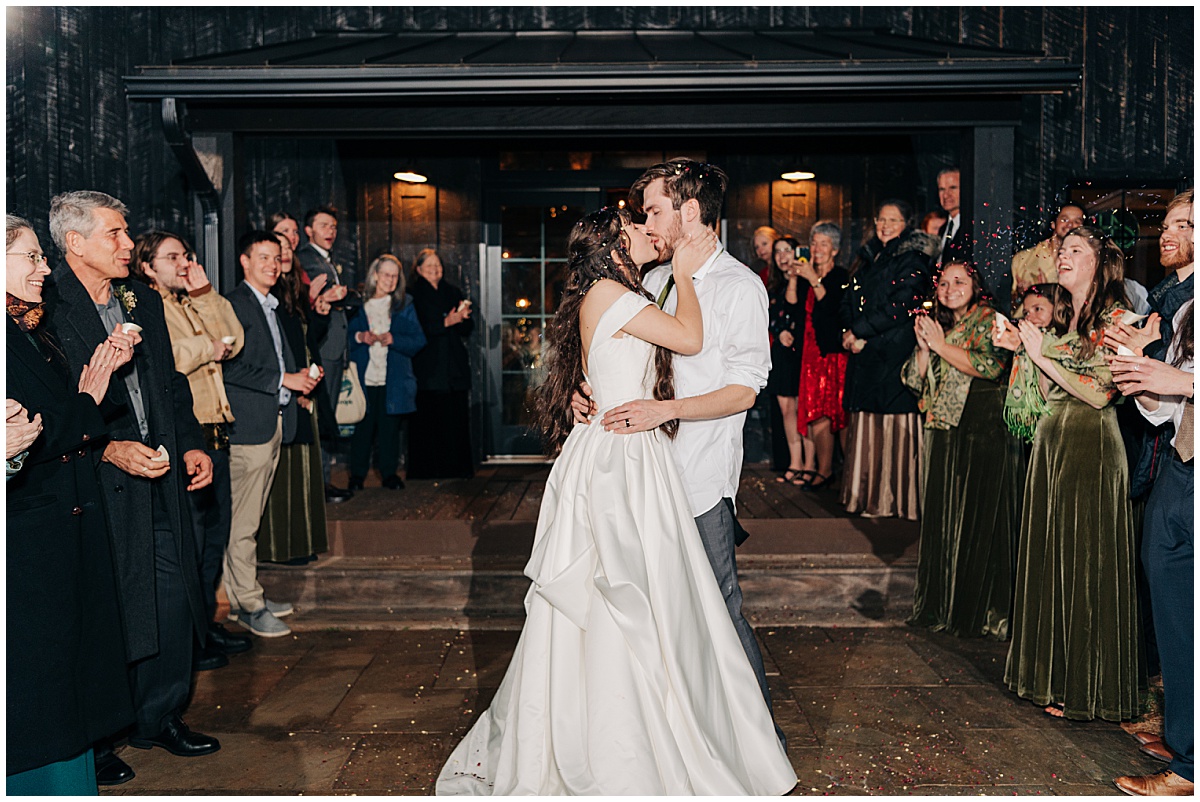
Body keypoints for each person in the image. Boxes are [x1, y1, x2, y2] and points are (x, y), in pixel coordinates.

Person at [436, 204, 796, 795]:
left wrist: (590, 387)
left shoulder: (619, 292)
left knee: (645, 594)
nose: (648, 229)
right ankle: (618, 741)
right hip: (620, 458)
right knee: (618, 588)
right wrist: (686, 275)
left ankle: (649, 726)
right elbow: (689, 338)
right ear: (614, 245)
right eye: (635, 225)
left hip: (632, 448)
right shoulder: (611, 291)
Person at [591, 160, 783, 742]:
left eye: (654, 211)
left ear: (690, 210)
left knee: (717, 607)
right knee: (652, 610)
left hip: (699, 478)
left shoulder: (740, 287)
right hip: (641, 476)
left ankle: (759, 743)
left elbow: (746, 389)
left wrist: (665, 410)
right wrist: (589, 392)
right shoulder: (652, 281)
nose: (646, 224)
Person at [44, 191, 219, 785]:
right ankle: (98, 739)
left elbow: (169, 381)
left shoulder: (138, 297)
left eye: (126, 232)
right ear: (76, 243)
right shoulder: (45, 306)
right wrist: (107, 449)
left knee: (171, 598)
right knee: (108, 609)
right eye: (114, 234)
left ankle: (159, 715)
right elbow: (50, 408)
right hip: (97, 484)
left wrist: (191, 441)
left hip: (161, 472)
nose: (127, 244)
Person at [6, 214, 135, 795]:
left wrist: (90, 395)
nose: (44, 268)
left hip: (61, 526)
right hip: (29, 540)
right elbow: (35, 432)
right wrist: (88, 401)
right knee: (42, 697)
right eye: (32, 257)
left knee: (67, 685)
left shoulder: (31, 327)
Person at [995, 225, 1141, 721]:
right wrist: (1022, 350)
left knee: (1083, 566)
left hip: (1090, 445)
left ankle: (1085, 686)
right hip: (1051, 443)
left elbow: (1100, 394)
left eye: (1075, 250)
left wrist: (1040, 354)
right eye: (1062, 249)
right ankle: (1052, 677)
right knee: (1052, 560)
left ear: (1099, 263)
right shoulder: (1064, 320)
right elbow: (1046, 389)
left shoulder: (1119, 319)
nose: (1063, 255)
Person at [131, 230, 253, 671]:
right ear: (147, 266)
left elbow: (233, 339)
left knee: (213, 537)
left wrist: (204, 294)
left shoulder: (185, 301)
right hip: (188, 435)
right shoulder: (144, 305)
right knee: (193, 539)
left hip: (215, 431)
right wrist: (206, 347)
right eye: (172, 257)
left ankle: (205, 626)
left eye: (185, 254)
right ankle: (191, 638)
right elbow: (166, 359)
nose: (184, 263)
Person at [902, 262, 1022, 638]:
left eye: (959, 281)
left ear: (976, 286)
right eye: (943, 282)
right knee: (942, 519)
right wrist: (925, 348)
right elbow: (914, 379)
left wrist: (940, 346)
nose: (949, 288)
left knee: (975, 519)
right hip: (942, 428)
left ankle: (979, 609)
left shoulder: (988, 318)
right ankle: (941, 605)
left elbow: (992, 366)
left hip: (979, 429)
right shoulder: (939, 324)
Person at [1110, 300, 1193, 796]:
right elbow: (1168, 409)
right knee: (1176, 619)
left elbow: (1184, 384)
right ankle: (1187, 750)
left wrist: (1182, 382)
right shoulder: (1188, 312)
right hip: (1181, 469)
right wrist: (1140, 376)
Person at [222, 231, 320, 637]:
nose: (272, 265)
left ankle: (242, 595)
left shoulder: (271, 305)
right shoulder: (234, 304)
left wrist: (298, 382)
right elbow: (227, 366)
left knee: (250, 518)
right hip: (249, 427)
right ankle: (249, 603)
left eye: (276, 258)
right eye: (263, 257)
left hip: (274, 420)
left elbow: (272, 360)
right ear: (244, 261)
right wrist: (285, 379)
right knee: (243, 522)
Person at [839, 199, 935, 520]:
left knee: (892, 421)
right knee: (868, 423)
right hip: (866, 352)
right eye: (881, 219)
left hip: (893, 354)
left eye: (893, 220)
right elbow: (850, 297)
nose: (885, 225)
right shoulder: (869, 256)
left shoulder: (914, 257)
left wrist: (860, 331)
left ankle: (893, 499)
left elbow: (903, 303)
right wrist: (849, 332)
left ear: (907, 224)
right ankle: (867, 497)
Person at [257, 231, 331, 565]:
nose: (282, 255)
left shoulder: (291, 290)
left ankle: (300, 543)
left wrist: (320, 313)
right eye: (276, 250)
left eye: (286, 249)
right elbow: (274, 350)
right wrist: (294, 384)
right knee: (284, 472)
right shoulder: (267, 295)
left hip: (303, 384)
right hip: (285, 391)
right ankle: (280, 548)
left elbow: (305, 338)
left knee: (302, 470)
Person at [346, 253, 426, 490]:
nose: (390, 280)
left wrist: (394, 339)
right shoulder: (357, 304)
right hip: (364, 378)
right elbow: (341, 338)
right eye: (386, 275)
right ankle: (357, 476)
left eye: (395, 276)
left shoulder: (404, 305)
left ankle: (389, 474)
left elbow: (418, 340)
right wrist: (360, 337)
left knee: (389, 431)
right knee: (362, 430)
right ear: (375, 275)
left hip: (392, 380)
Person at [294, 205, 357, 503]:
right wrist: (326, 297)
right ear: (308, 231)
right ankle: (320, 484)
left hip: (334, 345)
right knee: (321, 415)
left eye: (333, 226)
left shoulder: (325, 259)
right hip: (323, 345)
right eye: (323, 226)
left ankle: (323, 481)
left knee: (326, 415)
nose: (330, 231)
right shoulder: (307, 258)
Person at [407, 248, 475, 479]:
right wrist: (445, 322)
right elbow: (415, 329)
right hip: (428, 366)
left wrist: (463, 318)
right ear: (418, 269)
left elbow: (467, 329)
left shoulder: (452, 291)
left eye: (438, 265)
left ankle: (457, 469)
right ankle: (428, 471)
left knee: (455, 419)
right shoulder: (412, 295)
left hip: (453, 367)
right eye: (429, 266)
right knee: (429, 420)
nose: (435, 269)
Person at [793, 220, 850, 489]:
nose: (817, 249)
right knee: (815, 411)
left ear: (834, 249)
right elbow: (794, 309)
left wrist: (813, 279)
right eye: (814, 243)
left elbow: (832, 312)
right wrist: (796, 278)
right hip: (809, 354)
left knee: (837, 413)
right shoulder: (805, 277)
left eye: (823, 244)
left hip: (832, 353)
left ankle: (844, 473)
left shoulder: (841, 276)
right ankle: (823, 469)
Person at [765, 235, 806, 484]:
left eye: (787, 250)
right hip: (781, 353)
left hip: (802, 352)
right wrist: (779, 331)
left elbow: (796, 310)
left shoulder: (805, 282)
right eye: (778, 252)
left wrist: (794, 278)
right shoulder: (774, 286)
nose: (782, 256)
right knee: (786, 410)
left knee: (802, 409)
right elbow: (770, 317)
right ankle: (795, 462)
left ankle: (807, 464)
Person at [1011, 204, 1085, 302]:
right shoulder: (1023, 258)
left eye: (1077, 222)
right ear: (1053, 224)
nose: (1070, 225)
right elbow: (1011, 302)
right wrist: (1022, 295)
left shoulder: (1085, 262)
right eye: (1064, 219)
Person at [936, 167, 972, 266]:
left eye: (953, 188)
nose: (946, 195)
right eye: (942, 189)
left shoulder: (972, 228)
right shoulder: (943, 229)